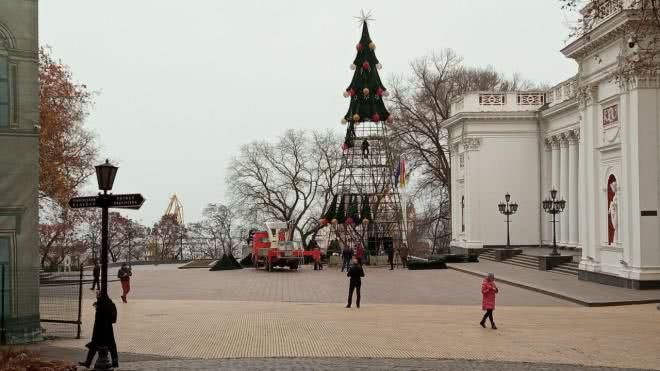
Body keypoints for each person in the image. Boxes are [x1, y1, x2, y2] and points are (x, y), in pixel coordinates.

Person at [79, 294, 119, 368]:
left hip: (99, 328)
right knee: (111, 344)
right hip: (108, 328)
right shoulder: (110, 304)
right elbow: (113, 319)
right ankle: (115, 361)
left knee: (95, 344)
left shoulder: (102, 305)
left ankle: (88, 362)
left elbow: (100, 317)